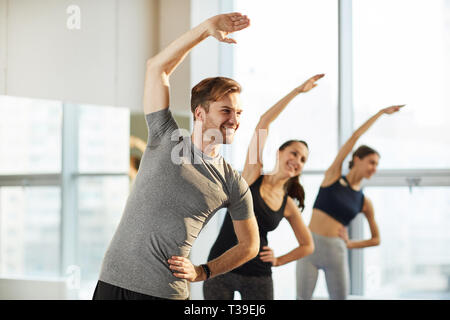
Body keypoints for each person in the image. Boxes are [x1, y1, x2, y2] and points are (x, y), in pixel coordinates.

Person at [92, 12, 260, 300]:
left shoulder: (231, 182)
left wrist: (203, 271)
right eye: (226, 110)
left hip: (162, 291)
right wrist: (205, 30)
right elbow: (157, 67)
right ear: (199, 113)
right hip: (111, 280)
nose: (234, 120)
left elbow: (250, 245)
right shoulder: (165, 136)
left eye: (239, 113)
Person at [203, 74, 325, 300]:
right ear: (279, 152)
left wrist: (279, 260)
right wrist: (297, 90)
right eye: (294, 153)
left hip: (258, 276)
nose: (297, 161)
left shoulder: (287, 203)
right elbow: (263, 122)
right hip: (220, 268)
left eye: (303, 159)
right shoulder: (252, 174)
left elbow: (307, 245)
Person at [296, 104, 405, 300]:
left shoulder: (364, 201)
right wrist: (379, 113)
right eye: (371, 162)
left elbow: (376, 239)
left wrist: (350, 244)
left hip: (336, 251)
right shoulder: (333, 176)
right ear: (357, 159)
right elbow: (354, 137)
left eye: (377, 165)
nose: (374, 168)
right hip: (309, 246)